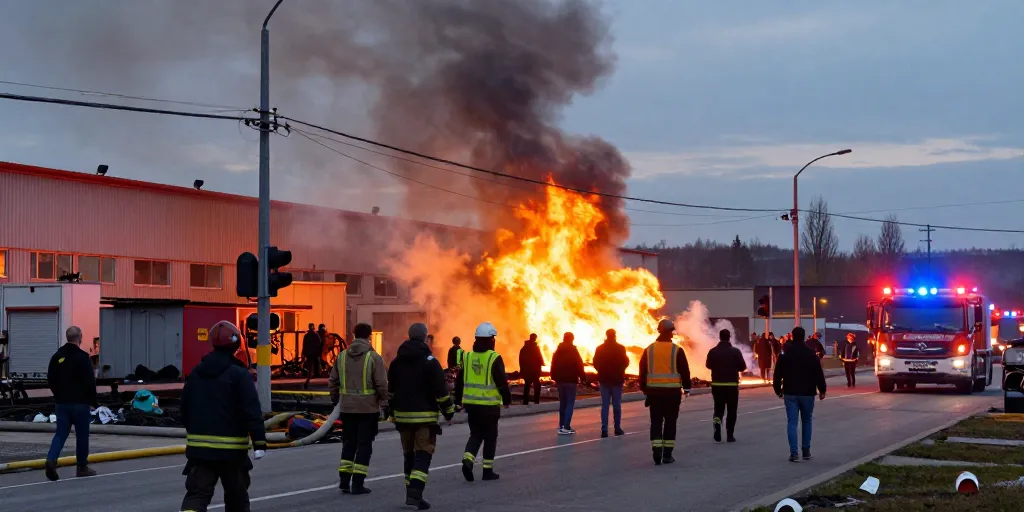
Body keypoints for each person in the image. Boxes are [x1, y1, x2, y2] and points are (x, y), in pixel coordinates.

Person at [179, 321, 267, 512]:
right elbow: (251, 410)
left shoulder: (196, 373)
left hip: (200, 451)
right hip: (232, 452)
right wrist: (259, 442)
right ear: (236, 344)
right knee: (236, 498)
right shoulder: (239, 374)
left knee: (196, 495)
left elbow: (184, 408)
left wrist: (195, 431)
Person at [387, 323, 455, 510]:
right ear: (425, 337)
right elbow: (441, 391)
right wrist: (449, 411)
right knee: (423, 454)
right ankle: (415, 492)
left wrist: (391, 412)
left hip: (402, 418)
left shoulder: (396, 362)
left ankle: (412, 493)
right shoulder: (430, 361)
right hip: (424, 419)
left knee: (409, 456)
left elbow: (390, 391)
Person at [329, 322, 388, 495]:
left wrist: (335, 399)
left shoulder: (341, 356)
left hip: (347, 409)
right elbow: (382, 385)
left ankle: (344, 482)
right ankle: (358, 484)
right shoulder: (373, 357)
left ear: (353, 335)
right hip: (368, 410)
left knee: (348, 444)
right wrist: (385, 403)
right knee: (364, 446)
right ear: (369, 336)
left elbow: (332, 381)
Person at [454, 322, 512, 482]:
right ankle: (487, 471)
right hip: (489, 406)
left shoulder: (467, 356)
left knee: (475, 434)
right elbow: (501, 381)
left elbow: (459, 382)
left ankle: (468, 460)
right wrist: (507, 399)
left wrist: (458, 401)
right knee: (490, 437)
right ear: (491, 340)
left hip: (471, 405)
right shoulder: (494, 357)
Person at [44, 325, 98, 481]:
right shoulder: (83, 357)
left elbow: (51, 379)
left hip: (62, 403)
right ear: (80, 337)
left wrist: (58, 395)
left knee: (61, 433)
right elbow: (89, 382)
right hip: (80, 404)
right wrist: (92, 401)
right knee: (82, 435)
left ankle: (51, 459)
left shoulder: (57, 356)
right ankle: (82, 467)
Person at [639, 319, 691, 465]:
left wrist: (645, 389)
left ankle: (656, 451)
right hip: (672, 394)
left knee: (656, 422)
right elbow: (684, 371)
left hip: (654, 394)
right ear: (669, 333)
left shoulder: (649, 350)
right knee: (670, 423)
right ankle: (667, 455)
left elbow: (642, 372)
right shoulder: (677, 350)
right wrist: (687, 388)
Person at [773, 327, 827, 463]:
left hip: (790, 391)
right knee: (807, 421)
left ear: (792, 336)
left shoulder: (785, 353)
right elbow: (818, 373)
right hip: (808, 392)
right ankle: (806, 451)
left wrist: (777, 389)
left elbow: (777, 372)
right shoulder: (811, 353)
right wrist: (822, 389)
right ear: (804, 337)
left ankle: (794, 453)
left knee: (792, 422)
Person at [706, 329, 747, 443]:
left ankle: (717, 427)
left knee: (718, 409)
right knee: (731, 410)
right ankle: (730, 435)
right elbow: (742, 367)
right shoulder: (735, 351)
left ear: (720, 337)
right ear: (729, 337)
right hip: (731, 385)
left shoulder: (713, 351)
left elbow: (708, 365)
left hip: (717, 384)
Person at [593, 328, 628, 438]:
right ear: (615, 335)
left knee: (605, 405)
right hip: (617, 380)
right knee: (616, 405)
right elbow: (626, 362)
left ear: (606, 335)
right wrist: (621, 371)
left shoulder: (600, 348)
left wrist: (601, 372)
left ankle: (604, 430)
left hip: (604, 380)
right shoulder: (620, 348)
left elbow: (595, 362)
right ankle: (617, 428)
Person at [550, 332, 586, 434]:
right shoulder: (573, 351)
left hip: (560, 381)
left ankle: (561, 425)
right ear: (572, 339)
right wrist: (582, 377)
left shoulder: (558, 351)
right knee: (570, 403)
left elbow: (553, 364)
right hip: (570, 381)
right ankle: (566, 427)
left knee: (563, 403)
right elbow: (579, 364)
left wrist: (554, 377)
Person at [518, 334, 544, 406]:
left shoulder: (524, 348)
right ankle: (536, 401)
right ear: (534, 339)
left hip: (527, 371)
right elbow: (540, 359)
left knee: (527, 385)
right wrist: (542, 363)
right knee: (537, 385)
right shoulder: (535, 348)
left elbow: (521, 360)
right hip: (534, 371)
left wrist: (522, 369)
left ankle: (525, 401)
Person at [302, 323, 324, 389]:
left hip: (309, 354)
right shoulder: (315, 335)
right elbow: (319, 344)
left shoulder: (307, 336)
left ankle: (308, 379)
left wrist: (304, 353)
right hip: (314, 353)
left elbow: (304, 346)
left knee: (310, 368)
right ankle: (312, 377)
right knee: (315, 366)